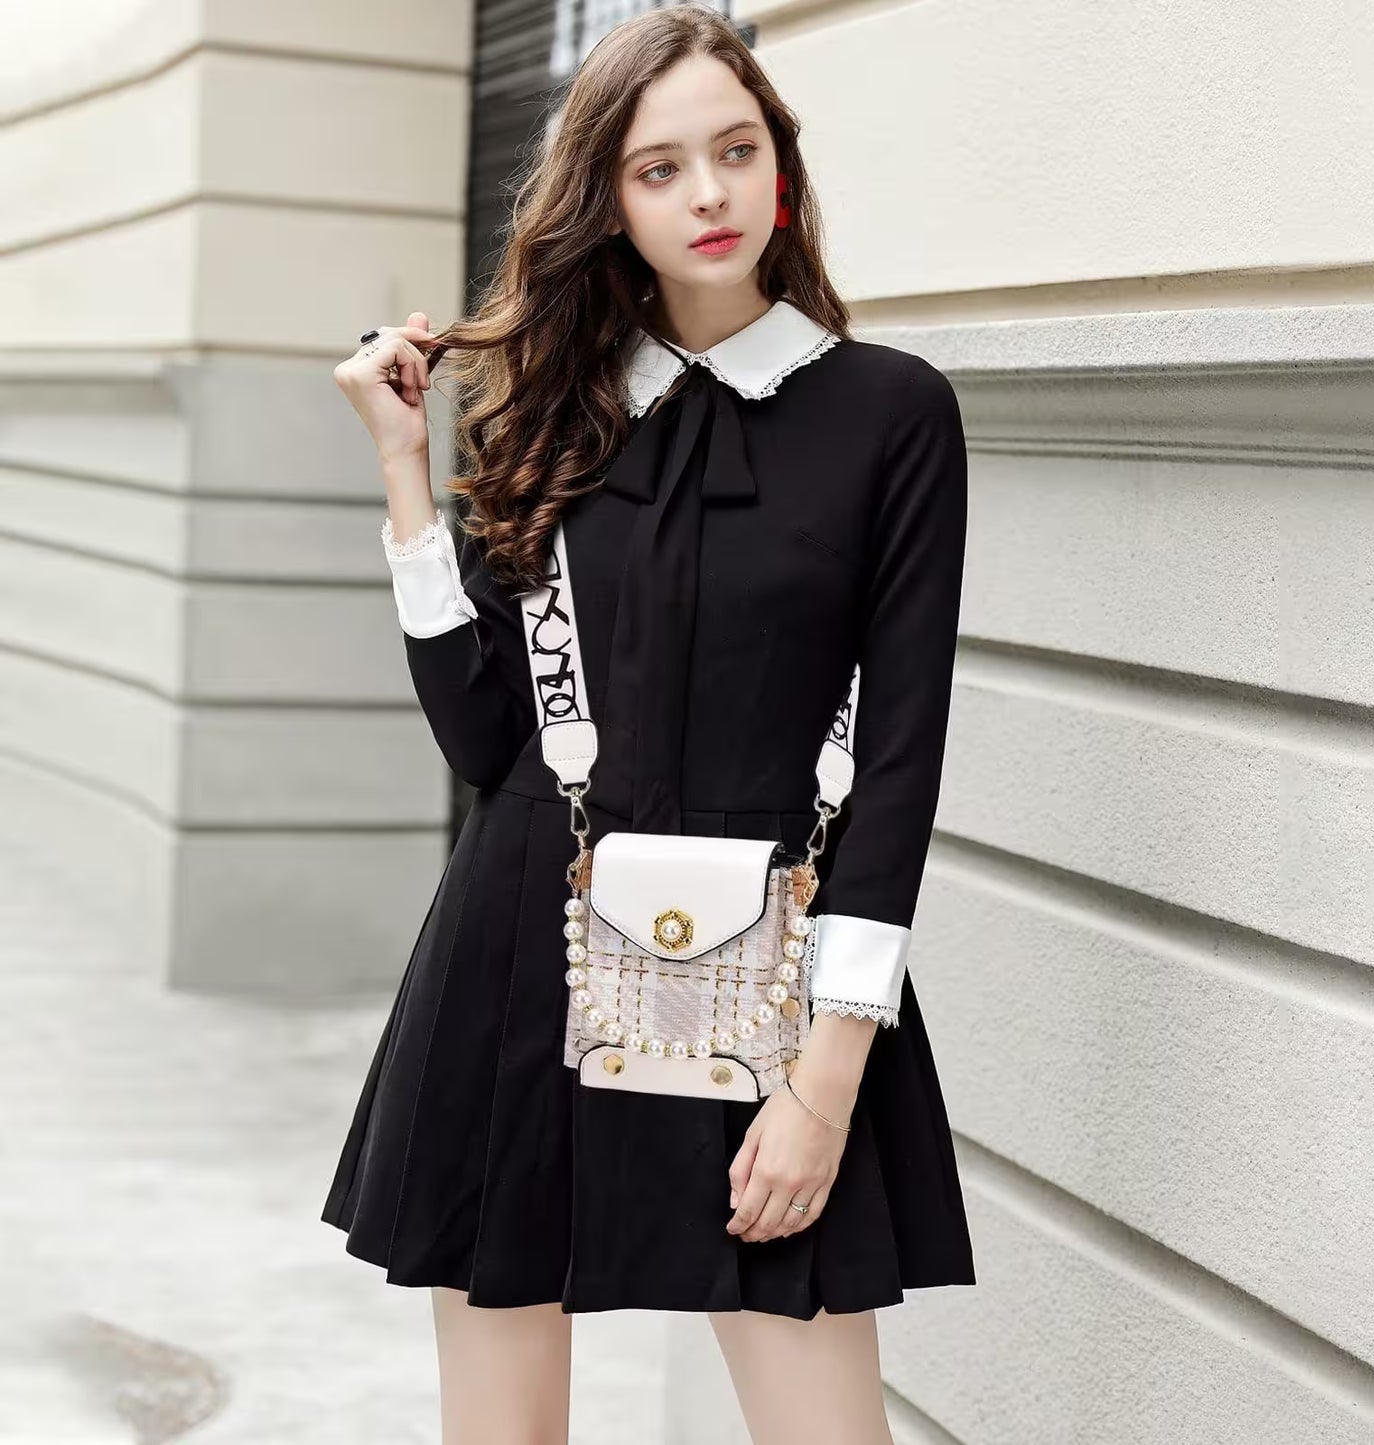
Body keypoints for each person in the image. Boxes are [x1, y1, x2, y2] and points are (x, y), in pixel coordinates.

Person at [324, 6, 975, 1442]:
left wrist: (826, 1078)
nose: (708, 195)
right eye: (660, 168)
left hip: (781, 986)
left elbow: (903, 764)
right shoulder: (548, 414)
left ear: (778, 170)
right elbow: (487, 745)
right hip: (524, 956)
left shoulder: (888, 414)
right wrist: (405, 481)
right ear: (607, 202)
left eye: (734, 153)